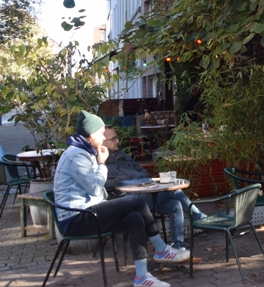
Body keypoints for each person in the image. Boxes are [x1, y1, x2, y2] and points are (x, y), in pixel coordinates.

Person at [54, 111, 185, 287]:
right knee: (135, 201)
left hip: (89, 211)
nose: (102, 138)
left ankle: (142, 278)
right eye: (101, 134)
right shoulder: (76, 155)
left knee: (134, 218)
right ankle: (161, 249)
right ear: (91, 135)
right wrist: (102, 164)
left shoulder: (84, 151)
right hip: (75, 218)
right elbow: (94, 188)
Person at [103, 126, 206, 250]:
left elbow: (142, 171)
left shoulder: (122, 155)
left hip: (144, 194)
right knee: (173, 189)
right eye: (113, 139)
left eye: (117, 138)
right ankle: (199, 219)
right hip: (127, 201)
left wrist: (139, 178)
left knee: (175, 205)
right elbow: (101, 183)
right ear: (103, 141)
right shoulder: (100, 161)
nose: (117, 141)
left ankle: (178, 246)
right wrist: (122, 180)